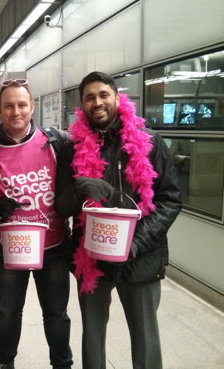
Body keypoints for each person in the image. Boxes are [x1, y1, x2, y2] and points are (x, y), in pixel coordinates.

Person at [55, 71, 182, 369]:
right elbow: (60, 207)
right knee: (93, 337)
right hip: (91, 257)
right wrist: (78, 188)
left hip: (142, 258)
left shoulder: (150, 143)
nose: (97, 102)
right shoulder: (70, 149)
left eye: (103, 95)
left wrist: (135, 244)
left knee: (145, 337)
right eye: (89, 97)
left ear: (116, 98)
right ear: (81, 105)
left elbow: (170, 200)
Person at [0, 79, 73, 369]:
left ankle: (62, 364)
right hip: (11, 249)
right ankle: (3, 362)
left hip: (54, 247)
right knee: (8, 311)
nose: (16, 111)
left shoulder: (56, 142)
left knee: (56, 313)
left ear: (32, 107)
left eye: (22, 104)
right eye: (9, 105)